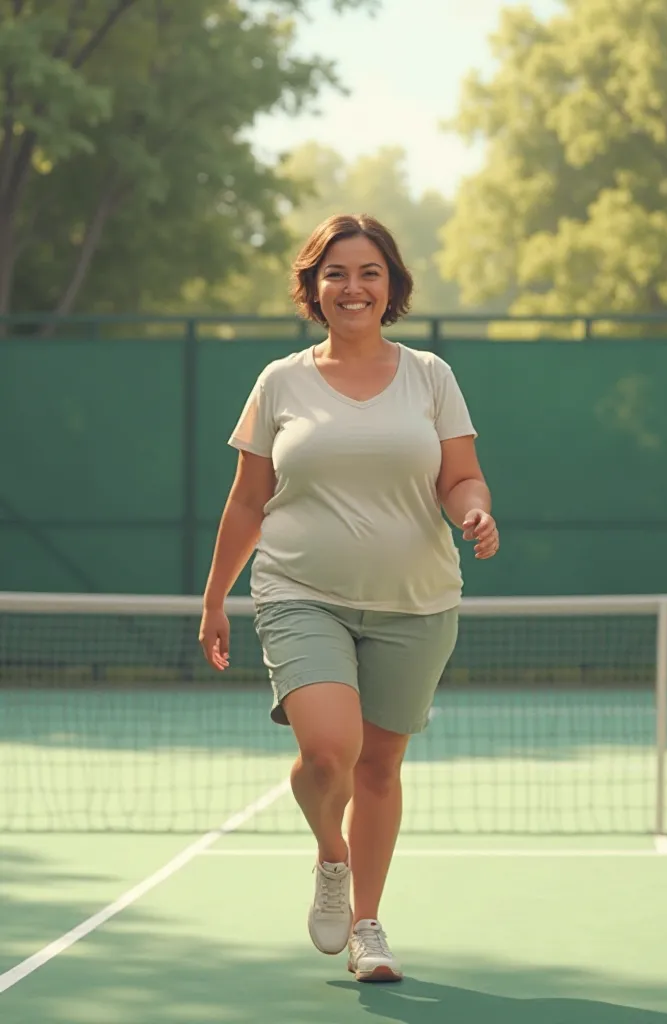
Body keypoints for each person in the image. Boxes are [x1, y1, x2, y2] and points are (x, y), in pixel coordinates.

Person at [199, 213, 499, 983]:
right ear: (314, 286)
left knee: (378, 770)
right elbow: (246, 501)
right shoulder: (280, 382)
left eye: (369, 272)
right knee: (329, 752)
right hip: (302, 591)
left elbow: (459, 473)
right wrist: (213, 599)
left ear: (391, 285)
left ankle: (368, 926)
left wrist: (474, 507)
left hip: (418, 601)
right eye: (336, 273)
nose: (353, 287)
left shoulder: (431, 376)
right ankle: (331, 859)